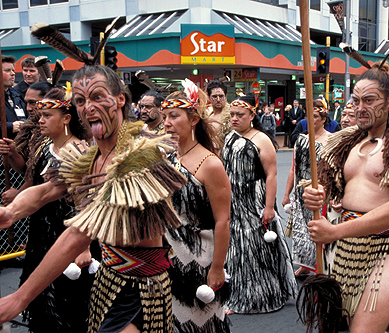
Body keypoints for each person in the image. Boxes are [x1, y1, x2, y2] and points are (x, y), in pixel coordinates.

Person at [0, 65, 186, 332]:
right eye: (80, 100)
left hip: (140, 290)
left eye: (98, 97)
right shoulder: (92, 157)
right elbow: (45, 190)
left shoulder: (139, 155)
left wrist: (20, 298)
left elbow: (81, 231)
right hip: (108, 280)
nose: (88, 107)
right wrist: (10, 213)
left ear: (120, 99)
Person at [303, 61, 389, 332]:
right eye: (356, 100)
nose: (359, 107)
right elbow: (336, 191)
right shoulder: (349, 142)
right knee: (338, 326)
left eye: (369, 100)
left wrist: (335, 231)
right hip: (347, 249)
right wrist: (315, 196)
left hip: (387, 248)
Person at [2, 86, 95, 332]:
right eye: (39, 115)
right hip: (41, 230)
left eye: (46, 116)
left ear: (66, 118)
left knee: (69, 305)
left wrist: (84, 248)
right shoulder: (45, 147)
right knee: (42, 304)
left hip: (68, 233)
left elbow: (85, 202)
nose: (40, 120)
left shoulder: (81, 151)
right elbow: (36, 186)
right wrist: (13, 208)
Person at [162, 80, 231, 332]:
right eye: (164, 116)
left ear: (193, 120)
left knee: (202, 325)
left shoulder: (210, 163)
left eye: (174, 116)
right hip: (168, 257)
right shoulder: (167, 157)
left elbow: (223, 221)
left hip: (201, 259)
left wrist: (217, 267)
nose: (167, 122)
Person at [223, 93, 297, 314]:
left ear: (252, 115)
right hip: (233, 201)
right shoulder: (229, 137)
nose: (235, 118)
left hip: (254, 199)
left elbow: (272, 175)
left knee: (255, 249)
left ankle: (259, 295)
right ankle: (238, 293)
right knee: (236, 249)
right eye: (232, 115)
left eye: (240, 115)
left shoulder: (261, 139)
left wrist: (269, 207)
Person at [282, 98, 331, 277]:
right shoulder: (301, 139)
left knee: (318, 229)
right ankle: (305, 265)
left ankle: (320, 266)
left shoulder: (330, 141)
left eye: (316, 116)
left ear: (324, 118)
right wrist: (287, 194)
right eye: (309, 115)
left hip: (319, 193)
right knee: (302, 230)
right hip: (301, 192)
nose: (312, 119)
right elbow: (294, 168)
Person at [2, 55, 28, 139]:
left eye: (13, 70)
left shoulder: (16, 95)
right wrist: (10, 126)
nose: (13, 73)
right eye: (7, 70)